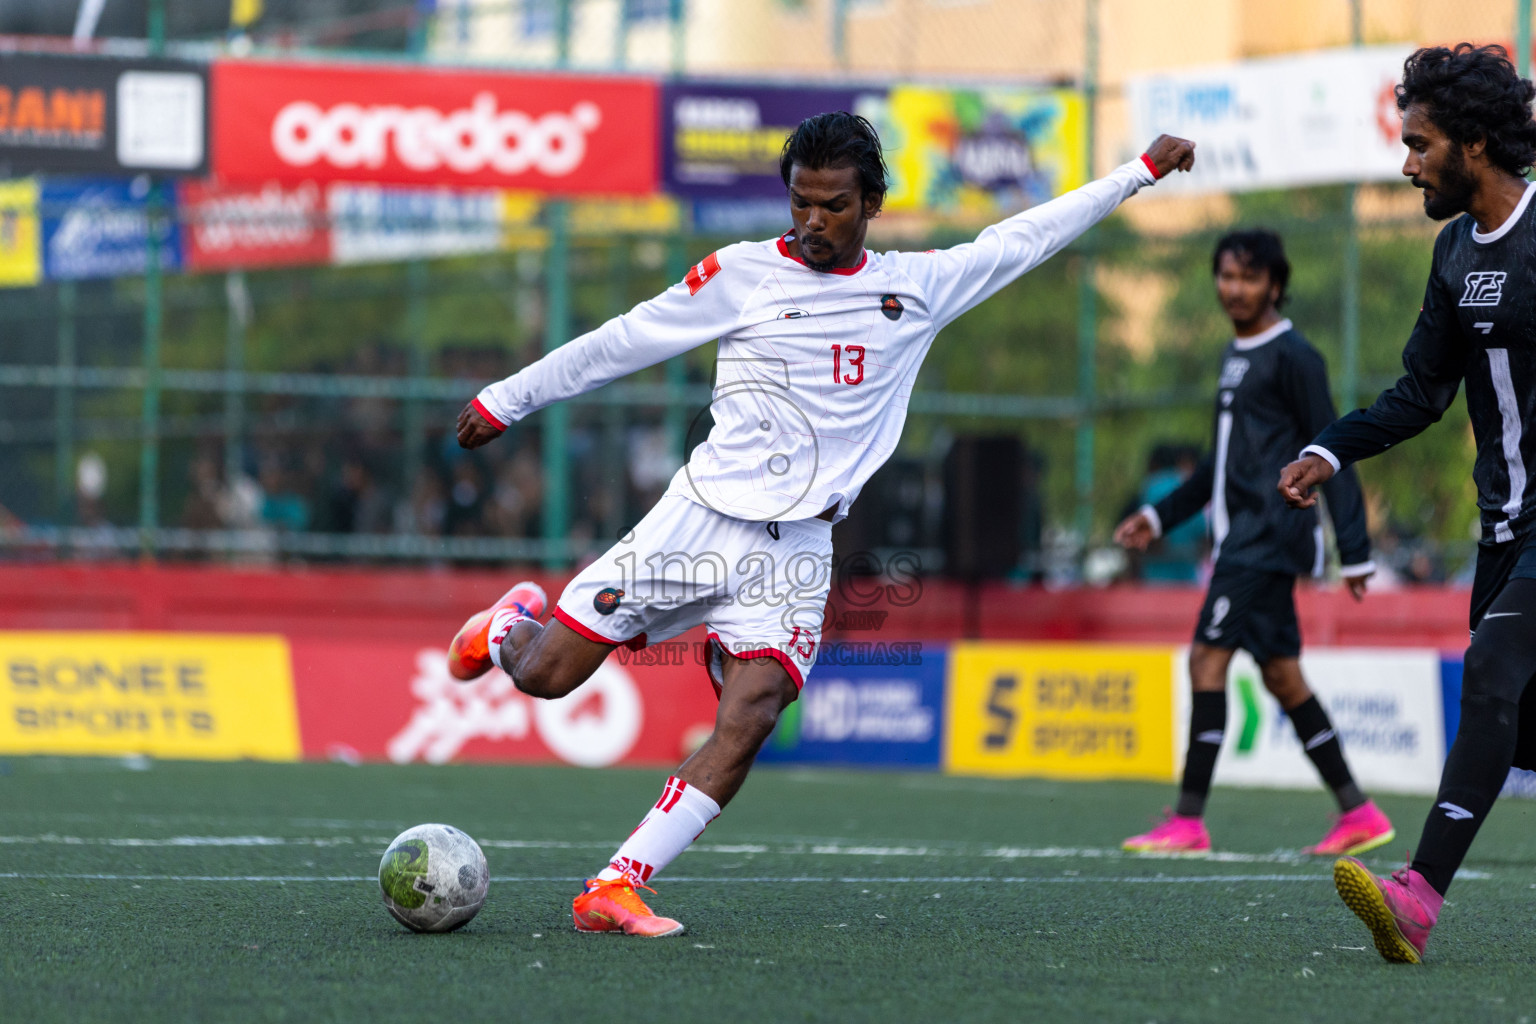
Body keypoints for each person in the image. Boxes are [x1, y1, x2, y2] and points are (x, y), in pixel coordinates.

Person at [445, 113, 1194, 937]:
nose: (811, 221)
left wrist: (1138, 173)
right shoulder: (740, 274)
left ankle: (617, 885)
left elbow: (1027, 236)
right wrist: (506, 399)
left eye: (832, 205)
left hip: (797, 549)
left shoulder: (919, 286)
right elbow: (624, 340)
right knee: (547, 675)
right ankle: (510, 625)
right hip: (697, 522)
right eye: (800, 202)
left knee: (756, 708)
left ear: (871, 202)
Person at [1279, 43, 1536, 964]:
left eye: (1420, 143)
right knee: (1518, 724)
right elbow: (1420, 395)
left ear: (1473, 143)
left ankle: (1417, 896)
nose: (1407, 161)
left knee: (1494, 676)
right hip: (1504, 529)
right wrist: (1326, 448)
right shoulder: (1454, 250)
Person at [1115, 228, 1389, 857]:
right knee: (1284, 678)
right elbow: (1221, 461)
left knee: (1205, 662)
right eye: (1226, 276)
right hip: (1246, 537)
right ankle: (1359, 812)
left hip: (1267, 535)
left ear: (1274, 284)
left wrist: (1355, 547)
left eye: (1248, 277)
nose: (1233, 289)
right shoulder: (1233, 354)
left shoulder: (1295, 356)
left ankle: (1187, 820)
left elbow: (1333, 446)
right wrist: (1158, 517)